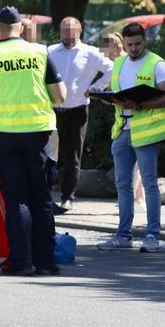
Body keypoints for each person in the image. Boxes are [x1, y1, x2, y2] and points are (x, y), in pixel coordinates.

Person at [0, 5, 66, 276]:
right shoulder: (40, 52)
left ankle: (22, 262)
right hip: (40, 135)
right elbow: (59, 95)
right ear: (21, 29)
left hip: (5, 138)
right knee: (43, 198)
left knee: (17, 200)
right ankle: (46, 262)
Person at [96, 22, 165, 253]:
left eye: (137, 44)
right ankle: (123, 235)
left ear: (145, 41)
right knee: (123, 185)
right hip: (122, 129)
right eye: (129, 44)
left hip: (146, 132)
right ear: (124, 43)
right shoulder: (119, 63)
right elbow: (118, 93)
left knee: (150, 185)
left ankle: (152, 235)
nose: (133, 48)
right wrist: (103, 97)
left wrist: (140, 104)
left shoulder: (156, 64)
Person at [47, 17, 113, 214]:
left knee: (72, 157)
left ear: (80, 31)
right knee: (49, 155)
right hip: (53, 110)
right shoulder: (49, 51)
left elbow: (111, 68)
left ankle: (68, 197)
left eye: (70, 30)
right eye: (63, 30)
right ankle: (46, 196)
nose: (66, 34)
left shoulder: (90, 53)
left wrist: (95, 88)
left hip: (77, 111)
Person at [100, 32, 146, 212]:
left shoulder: (122, 64)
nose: (104, 50)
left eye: (107, 45)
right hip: (124, 121)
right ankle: (138, 199)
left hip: (134, 120)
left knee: (135, 164)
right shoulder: (117, 64)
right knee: (137, 163)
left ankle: (135, 198)